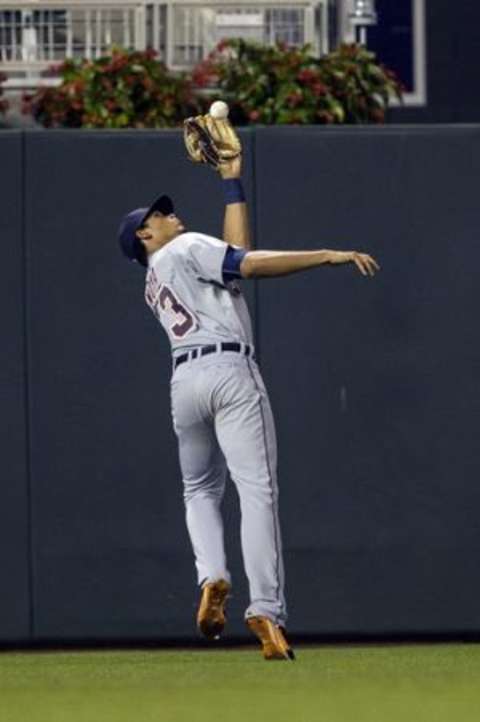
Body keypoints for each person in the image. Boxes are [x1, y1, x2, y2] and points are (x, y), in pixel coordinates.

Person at [118, 156, 380, 660]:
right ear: (145, 238)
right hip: (228, 371)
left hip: (184, 382)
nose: (171, 216)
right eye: (158, 217)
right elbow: (251, 263)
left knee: (198, 489)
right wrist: (326, 254)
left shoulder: (155, 279)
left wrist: (231, 182)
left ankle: (212, 574)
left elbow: (238, 252)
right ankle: (265, 608)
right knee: (257, 491)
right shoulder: (188, 247)